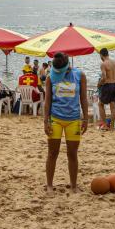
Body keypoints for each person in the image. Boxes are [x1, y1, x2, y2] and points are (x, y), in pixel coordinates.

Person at [43, 52, 88, 194]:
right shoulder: (50, 77)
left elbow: (84, 99)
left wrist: (85, 118)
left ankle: (74, 185)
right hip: (55, 119)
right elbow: (47, 100)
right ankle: (49, 185)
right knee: (52, 153)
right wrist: (46, 121)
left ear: (67, 67)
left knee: (72, 154)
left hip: (73, 120)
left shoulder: (80, 75)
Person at [98, 47, 115, 129]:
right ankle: (112, 127)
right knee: (112, 106)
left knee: (100, 104)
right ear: (108, 54)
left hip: (107, 86)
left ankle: (104, 125)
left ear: (101, 55)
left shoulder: (103, 64)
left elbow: (104, 78)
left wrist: (99, 84)